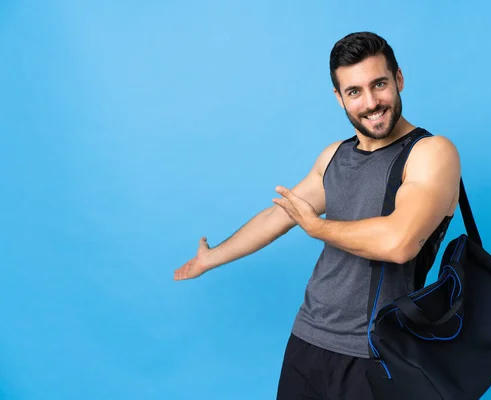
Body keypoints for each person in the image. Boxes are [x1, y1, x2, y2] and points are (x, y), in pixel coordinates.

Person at [174, 31, 461, 399]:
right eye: (354, 91)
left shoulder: (430, 153)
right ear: (339, 98)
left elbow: (400, 243)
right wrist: (212, 257)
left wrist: (317, 227)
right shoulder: (333, 157)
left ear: (399, 80)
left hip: (375, 351)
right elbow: (276, 218)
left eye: (380, 84)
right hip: (307, 337)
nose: (371, 102)